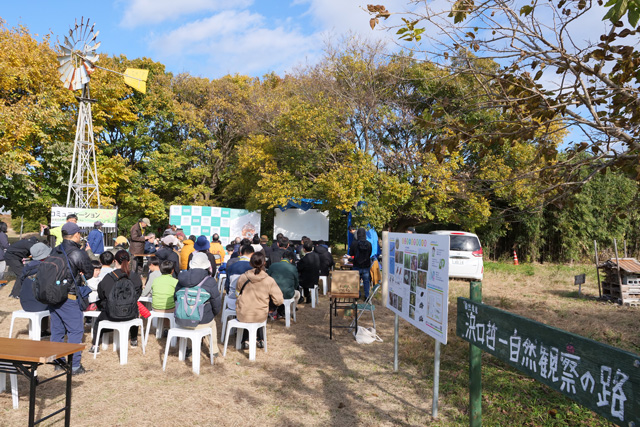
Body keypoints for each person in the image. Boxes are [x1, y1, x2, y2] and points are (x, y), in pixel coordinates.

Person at [49, 222, 94, 375]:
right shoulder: (77, 253)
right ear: (76, 235)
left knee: (57, 330)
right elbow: (89, 272)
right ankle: (74, 366)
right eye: (79, 234)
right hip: (69, 296)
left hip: (53, 295)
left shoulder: (55, 250)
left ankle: (58, 363)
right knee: (75, 331)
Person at [90, 250, 143, 353]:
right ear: (129, 261)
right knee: (135, 309)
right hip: (130, 314)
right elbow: (138, 293)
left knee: (98, 322)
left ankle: (95, 346)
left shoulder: (109, 277)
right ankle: (133, 340)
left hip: (111, 314)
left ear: (114, 261)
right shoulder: (135, 276)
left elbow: (101, 294)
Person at [175, 252, 221, 357]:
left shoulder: (181, 279)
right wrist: (213, 314)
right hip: (202, 321)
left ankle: (189, 347)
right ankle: (213, 351)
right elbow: (216, 304)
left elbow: (175, 298)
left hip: (182, 320)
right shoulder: (210, 281)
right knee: (212, 323)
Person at [236, 252, 283, 348]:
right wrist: (271, 306)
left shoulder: (243, 277)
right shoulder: (269, 280)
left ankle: (246, 339)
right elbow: (279, 300)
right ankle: (260, 339)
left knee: (249, 310)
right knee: (258, 312)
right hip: (260, 313)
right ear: (264, 263)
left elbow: (237, 293)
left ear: (250, 263)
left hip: (243, 312)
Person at [18, 243, 52, 335]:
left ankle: (42, 329)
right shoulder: (46, 267)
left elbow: (21, 282)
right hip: (40, 305)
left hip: (25, 303)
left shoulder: (27, 267)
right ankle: (58, 330)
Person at [266, 249, 300, 318]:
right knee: (298, 294)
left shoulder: (273, 265)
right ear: (291, 260)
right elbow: (296, 283)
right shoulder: (293, 268)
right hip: (288, 293)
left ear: (281, 258)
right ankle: (291, 312)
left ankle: (274, 311)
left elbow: (267, 278)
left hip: (273, 293)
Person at [224, 245, 254, 310]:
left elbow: (227, 286)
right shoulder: (253, 267)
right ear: (253, 254)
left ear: (240, 253)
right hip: (249, 302)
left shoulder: (231, 266)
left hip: (232, 301)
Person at [349, 227, 373, 300]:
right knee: (366, 281)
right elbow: (369, 254)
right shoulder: (369, 244)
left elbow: (351, 253)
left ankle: (357, 295)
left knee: (356, 281)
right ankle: (366, 296)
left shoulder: (354, 243)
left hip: (356, 265)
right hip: (366, 265)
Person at [297, 239, 320, 304]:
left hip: (306, 281)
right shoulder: (317, 256)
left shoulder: (304, 259)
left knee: (298, 280)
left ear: (304, 249)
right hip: (315, 278)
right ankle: (308, 296)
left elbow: (299, 268)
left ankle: (302, 297)